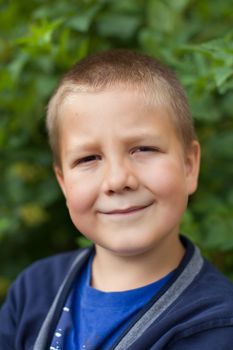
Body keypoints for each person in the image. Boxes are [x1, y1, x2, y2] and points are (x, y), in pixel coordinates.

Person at [0, 50, 233, 350]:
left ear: (189, 165)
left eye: (143, 149)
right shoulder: (35, 290)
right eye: (88, 158)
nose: (118, 180)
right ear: (63, 183)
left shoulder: (215, 326)